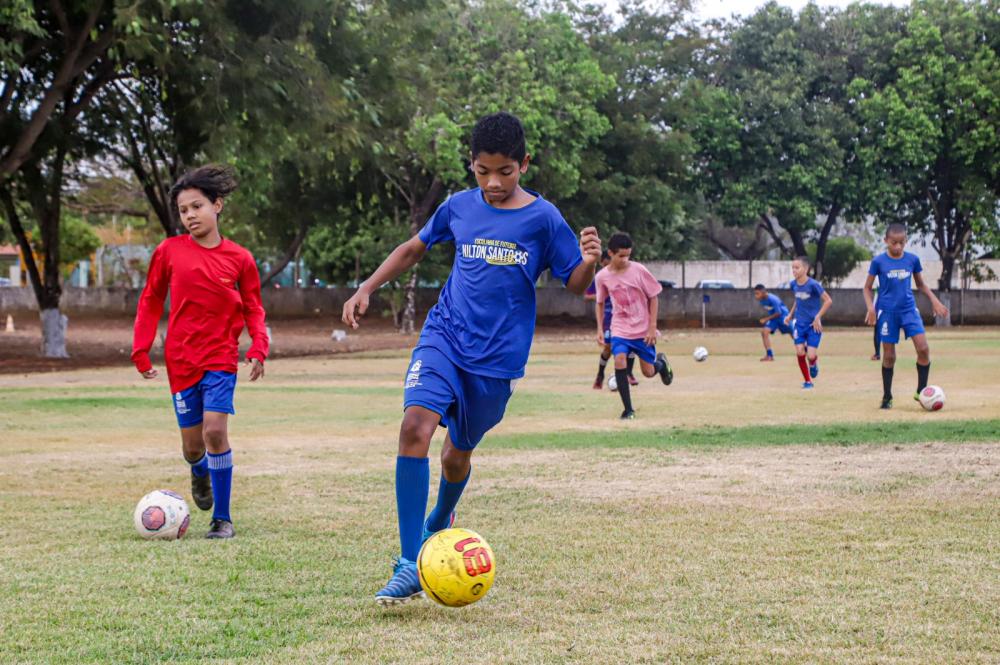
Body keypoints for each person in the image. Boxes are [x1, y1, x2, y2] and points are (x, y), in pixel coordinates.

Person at [341, 112, 601, 605]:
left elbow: (573, 282)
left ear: (524, 163)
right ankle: (408, 562)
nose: (493, 182)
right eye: (483, 171)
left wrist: (588, 262)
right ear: (472, 166)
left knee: (456, 454)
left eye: (504, 170)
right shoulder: (458, 207)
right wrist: (367, 287)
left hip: (497, 362)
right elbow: (414, 249)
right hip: (444, 336)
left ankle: (441, 519)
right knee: (415, 426)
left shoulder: (544, 219)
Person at [131, 166, 268, 540]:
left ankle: (222, 519)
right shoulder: (169, 251)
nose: (190, 215)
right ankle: (197, 469)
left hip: (221, 359)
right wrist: (140, 349)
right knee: (193, 446)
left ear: (217, 205)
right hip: (180, 360)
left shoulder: (240, 258)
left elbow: (254, 307)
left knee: (215, 431)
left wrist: (259, 345)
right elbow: (151, 299)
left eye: (197, 206)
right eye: (183, 210)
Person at [863, 223, 949, 409]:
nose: (898, 247)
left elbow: (921, 285)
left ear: (906, 241)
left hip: (909, 310)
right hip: (887, 313)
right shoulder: (878, 262)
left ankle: (921, 392)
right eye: (894, 243)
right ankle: (887, 396)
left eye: (902, 242)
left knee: (924, 349)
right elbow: (867, 288)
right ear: (886, 241)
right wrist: (871, 308)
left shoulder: (912, 260)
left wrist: (935, 301)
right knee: (889, 356)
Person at [594, 232, 673, 419]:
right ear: (610, 254)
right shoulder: (602, 277)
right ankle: (628, 410)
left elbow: (653, 297)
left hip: (642, 329)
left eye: (628, 255)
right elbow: (599, 302)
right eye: (621, 255)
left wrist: (652, 327)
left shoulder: (639, 270)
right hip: (620, 328)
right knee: (619, 359)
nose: (625, 259)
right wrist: (599, 328)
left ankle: (661, 364)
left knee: (648, 372)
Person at [584, 250, 636, 389]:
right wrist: (604, 294)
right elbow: (587, 296)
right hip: (608, 317)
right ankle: (600, 374)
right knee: (608, 348)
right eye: (605, 264)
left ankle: (629, 374)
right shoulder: (600, 277)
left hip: (625, 316)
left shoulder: (624, 275)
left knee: (631, 344)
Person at [783, 256, 833, 390]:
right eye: (792, 267)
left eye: (797, 267)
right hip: (799, 324)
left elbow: (828, 301)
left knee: (810, 355)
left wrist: (818, 317)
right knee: (800, 352)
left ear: (805, 269)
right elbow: (798, 301)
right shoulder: (793, 284)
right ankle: (807, 381)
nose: (794, 270)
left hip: (813, 325)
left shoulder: (813, 285)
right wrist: (790, 315)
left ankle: (813, 362)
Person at [753, 284, 792, 361]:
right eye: (755, 293)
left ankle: (804, 349)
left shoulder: (773, 299)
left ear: (763, 292)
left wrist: (766, 319)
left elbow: (778, 313)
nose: (756, 296)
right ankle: (769, 355)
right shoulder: (761, 300)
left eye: (757, 293)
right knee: (764, 332)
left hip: (783, 317)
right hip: (774, 319)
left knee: (793, 334)